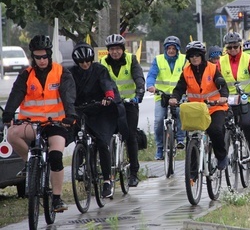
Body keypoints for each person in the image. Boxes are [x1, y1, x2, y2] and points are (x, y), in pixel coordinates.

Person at [2, 35, 77, 212]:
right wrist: (8, 113)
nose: (41, 60)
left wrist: (70, 114)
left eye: (44, 56)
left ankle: (57, 199)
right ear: (32, 57)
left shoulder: (61, 72)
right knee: (12, 133)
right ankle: (29, 164)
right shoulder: (26, 74)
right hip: (31, 123)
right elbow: (16, 94)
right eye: (37, 57)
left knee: (56, 157)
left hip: (56, 124)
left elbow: (68, 95)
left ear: (49, 55)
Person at [71, 42, 129, 197]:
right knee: (78, 136)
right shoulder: (71, 73)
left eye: (87, 61)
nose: (85, 64)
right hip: (81, 109)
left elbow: (107, 84)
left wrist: (108, 96)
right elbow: (67, 89)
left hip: (101, 109)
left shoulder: (99, 70)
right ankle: (81, 162)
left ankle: (107, 181)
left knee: (102, 142)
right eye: (81, 62)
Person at [169, 41, 229, 170]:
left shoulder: (212, 68)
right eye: (191, 56)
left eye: (197, 55)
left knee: (215, 130)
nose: (194, 58)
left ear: (202, 56)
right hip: (196, 109)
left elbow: (222, 85)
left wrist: (223, 97)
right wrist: (174, 98)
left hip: (214, 107)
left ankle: (222, 156)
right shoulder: (186, 71)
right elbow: (179, 88)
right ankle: (193, 171)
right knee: (192, 137)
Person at [100, 34, 145, 187]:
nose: (115, 52)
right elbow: (100, 81)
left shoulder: (131, 60)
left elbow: (139, 77)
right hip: (111, 104)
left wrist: (139, 93)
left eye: (118, 49)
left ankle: (133, 173)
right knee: (105, 136)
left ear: (123, 49)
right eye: (112, 49)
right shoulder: (103, 63)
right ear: (108, 51)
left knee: (130, 136)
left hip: (129, 103)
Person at [218, 32, 250, 162]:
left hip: (247, 98)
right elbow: (214, 78)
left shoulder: (248, 59)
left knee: (247, 123)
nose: (232, 50)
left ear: (240, 46)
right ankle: (223, 152)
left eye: (235, 47)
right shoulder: (221, 61)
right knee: (223, 125)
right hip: (229, 99)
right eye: (229, 48)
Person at [146, 35, 186, 160]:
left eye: (174, 48)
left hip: (178, 96)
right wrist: (150, 85)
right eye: (169, 48)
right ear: (165, 49)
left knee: (180, 113)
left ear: (178, 49)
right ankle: (160, 148)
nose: (171, 50)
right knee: (158, 121)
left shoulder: (184, 60)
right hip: (162, 96)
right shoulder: (158, 60)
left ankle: (180, 139)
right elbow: (152, 75)